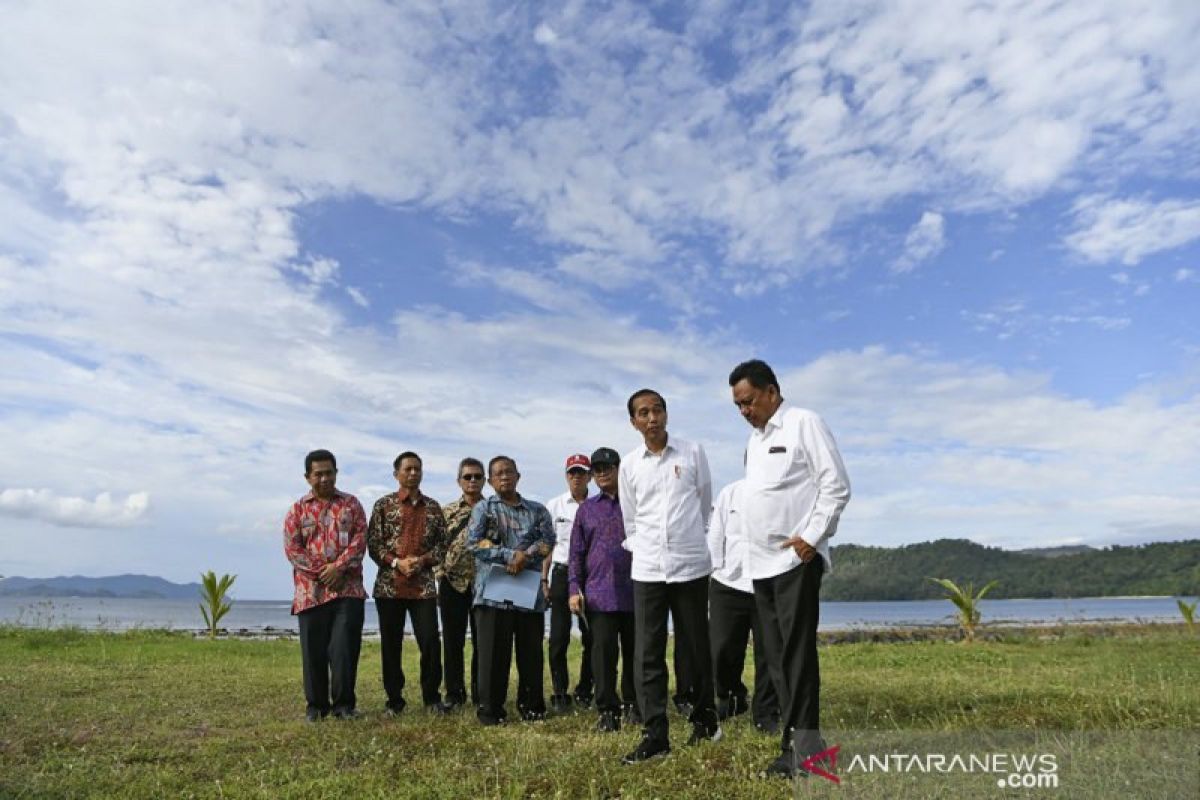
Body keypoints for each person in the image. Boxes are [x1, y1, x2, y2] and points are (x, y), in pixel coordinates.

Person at [728, 359, 851, 779]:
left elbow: (835, 485)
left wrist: (812, 537)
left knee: (796, 655)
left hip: (795, 561)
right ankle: (810, 746)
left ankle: (797, 749)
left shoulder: (804, 423)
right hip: (760, 566)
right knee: (775, 657)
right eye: (738, 406)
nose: (745, 411)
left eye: (748, 402)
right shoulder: (755, 442)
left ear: (772, 391)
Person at [617, 389, 720, 764]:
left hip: (691, 564)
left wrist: (693, 541)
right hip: (647, 568)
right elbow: (631, 518)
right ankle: (655, 733)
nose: (652, 418)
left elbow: (705, 505)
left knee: (695, 647)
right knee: (648, 653)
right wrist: (645, 548)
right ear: (633, 422)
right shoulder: (629, 465)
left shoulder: (692, 452)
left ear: (666, 414)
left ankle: (706, 719)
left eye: (657, 410)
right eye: (643, 413)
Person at [467, 455, 555, 725]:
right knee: (493, 656)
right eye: (498, 473)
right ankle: (491, 712)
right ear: (491, 480)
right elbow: (473, 543)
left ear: (518, 476)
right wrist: (508, 556)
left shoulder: (537, 510)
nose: (504, 477)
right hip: (492, 593)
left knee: (531, 653)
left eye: (509, 472)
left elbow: (548, 540)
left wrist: (524, 556)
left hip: (528, 592)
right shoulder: (483, 509)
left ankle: (532, 707)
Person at [283, 449, 367, 722]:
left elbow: (360, 540)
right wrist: (324, 572)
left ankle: (344, 707)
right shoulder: (297, 510)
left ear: (336, 473)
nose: (324, 478)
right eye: (318, 474)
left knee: (344, 651)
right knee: (313, 653)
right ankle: (316, 708)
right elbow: (293, 549)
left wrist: (339, 568)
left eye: (329, 472)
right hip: (311, 592)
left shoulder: (351, 505)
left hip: (348, 590)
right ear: (308, 477)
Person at [367, 451, 449, 716]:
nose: (413, 473)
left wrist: (423, 560)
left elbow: (443, 544)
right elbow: (373, 544)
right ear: (396, 474)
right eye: (408, 469)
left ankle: (432, 698)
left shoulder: (434, 507)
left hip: (423, 585)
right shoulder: (383, 505)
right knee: (391, 645)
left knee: (430, 642)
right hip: (390, 586)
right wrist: (395, 562)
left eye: (417, 469)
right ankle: (394, 701)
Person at [568, 447, 638, 732]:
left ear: (620, 468)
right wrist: (574, 588)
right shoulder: (586, 509)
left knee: (637, 654)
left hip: (637, 591)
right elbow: (576, 553)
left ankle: (636, 706)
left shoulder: (637, 501)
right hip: (599, 595)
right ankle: (608, 711)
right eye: (597, 469)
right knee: (603, 656)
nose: (603, 472)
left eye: (608, 466)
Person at [707, 479, 780, 733]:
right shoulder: (730, 492)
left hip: (768, 580)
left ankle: (766, 712)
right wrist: (715, 568)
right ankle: (731, 697)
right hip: (729, 582)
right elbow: (716, 533)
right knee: (721, 649)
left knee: (769, 652)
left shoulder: (780, 494)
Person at [543, 453, 595, 713]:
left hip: (590, 576)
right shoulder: (554, 506)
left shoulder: (596, 505)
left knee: (592, 636)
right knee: (558, 637)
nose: (577, 477)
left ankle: (585, 689)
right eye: (572, 472)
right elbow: (547, 546)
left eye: (582, 472)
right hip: (561, 574)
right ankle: (560, 691)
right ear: (566, 476)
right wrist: (544, 578)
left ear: (590, 476)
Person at [437, 457, 486, 711]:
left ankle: (482, 693)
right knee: (453, 641)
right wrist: (439, 573)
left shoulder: (493, 510)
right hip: (452, 583)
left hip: (484, 585)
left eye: (477, 476)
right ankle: (454, 695)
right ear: (459, 481)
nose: (473, 481)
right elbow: (435, 545)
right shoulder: (446, 512)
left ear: (484, 480)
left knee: (483, 643)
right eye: (468, 477)